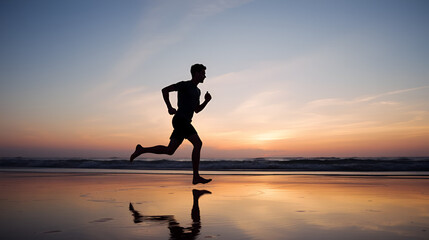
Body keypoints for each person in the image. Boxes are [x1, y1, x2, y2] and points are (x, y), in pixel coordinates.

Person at [130, 63, 212, 185]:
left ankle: (141, 150)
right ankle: (195, 176)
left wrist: (206, 101)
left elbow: (197, 110)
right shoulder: (184, 85)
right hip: (180, 120)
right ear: (196, 73)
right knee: (198, 143)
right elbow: (165, 90)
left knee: (169, 150)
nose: (205, 76)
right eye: (203, 73)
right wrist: (169, 107)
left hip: (184, 122)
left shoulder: (198, 91)